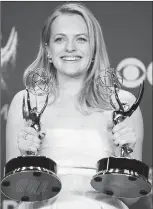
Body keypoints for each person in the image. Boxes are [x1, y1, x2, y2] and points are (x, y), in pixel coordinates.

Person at [6, 2, 144, 209]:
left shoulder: (122, 104)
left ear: (94, 48)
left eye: (81, 39)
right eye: (60, 39)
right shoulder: (25, 102)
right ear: (47, 49)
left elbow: (133, 198)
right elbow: (16, 195)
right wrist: (26, 159)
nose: (70, 48)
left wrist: (126, 155)